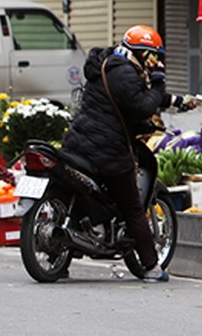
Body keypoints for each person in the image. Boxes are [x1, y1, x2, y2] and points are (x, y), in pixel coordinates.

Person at [63, 25, 193, 283]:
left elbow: (131, 95)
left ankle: (68, 249)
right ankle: (151, 267)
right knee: (133, 208)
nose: (155, 62)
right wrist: (158, 80)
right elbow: (143, 105)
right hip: (108, 149)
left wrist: (176, 100)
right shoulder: (125, 72)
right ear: (144, 54)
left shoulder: (109, 65)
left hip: (78, 142)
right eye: (154, 56)